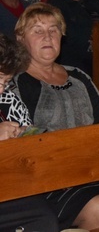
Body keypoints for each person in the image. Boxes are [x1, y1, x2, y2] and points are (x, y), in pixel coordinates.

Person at [13, 3, 99, 229]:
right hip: (51, 177)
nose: (47, 36)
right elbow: (26, 138)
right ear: (22, 39)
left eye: (54, 30)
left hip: (94, 166)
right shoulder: (17, 83)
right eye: (38, 31)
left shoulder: (78, 75)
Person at [0, 34, 59, 232]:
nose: (1, 89)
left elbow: (31, 154)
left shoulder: (9, 100)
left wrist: (25, 136)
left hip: (11, 187)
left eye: (6, 81)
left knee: (45, 219)